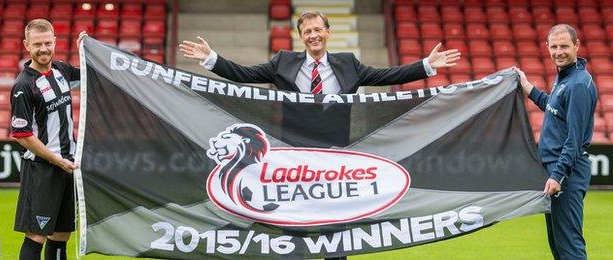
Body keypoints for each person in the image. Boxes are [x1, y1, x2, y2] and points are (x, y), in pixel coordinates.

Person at [179, 11, 460, 148]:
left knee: (337, 216)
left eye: (317, 30)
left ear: (328, 33)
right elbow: (245, 75)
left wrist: (426, 65)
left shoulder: (348, 63)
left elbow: (387, 75)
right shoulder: (283, 61)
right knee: (297, 215)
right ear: (300, 37)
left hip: (338, 146)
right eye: (306, 32)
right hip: (294, 145)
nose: (312, 35)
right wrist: (211, 58)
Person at [514, 24, 597, 260]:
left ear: (577, 46)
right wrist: (527, 87)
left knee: (569, 246)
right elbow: (554, 108)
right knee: (558, 246)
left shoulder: (578, 84)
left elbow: (574, 137)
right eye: (554, 46)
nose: (559, 51)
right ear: (547, 47)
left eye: (564, 46)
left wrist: (557, 175)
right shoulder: (566, 78)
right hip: (556, 169)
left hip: (566, 172)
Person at [10, 18, 87, 260]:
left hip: (68, 165)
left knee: (61, 235)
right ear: (26, 45)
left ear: (55, 42)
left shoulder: (62, 71)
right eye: (37, 44)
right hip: (42, 168)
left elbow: (90, 75)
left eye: (47, 43)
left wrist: (87, 50)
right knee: (36, 236)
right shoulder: (23, 85)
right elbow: (22, 136)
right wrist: (56, 159)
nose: (43, 49)